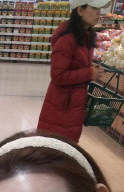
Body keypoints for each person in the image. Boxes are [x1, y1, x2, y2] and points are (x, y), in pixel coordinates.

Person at [37, 0, 107, 142]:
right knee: (55, 150)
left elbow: (75, 67)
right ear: (80, 11)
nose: (98, 12)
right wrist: (89, 73)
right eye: (94, 8)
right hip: (61, 107)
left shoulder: (86, 36)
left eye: (100, 8)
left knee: (66, 149)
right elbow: (58, 75)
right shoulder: (68, 39)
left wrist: (91, 70)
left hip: (73, 105)